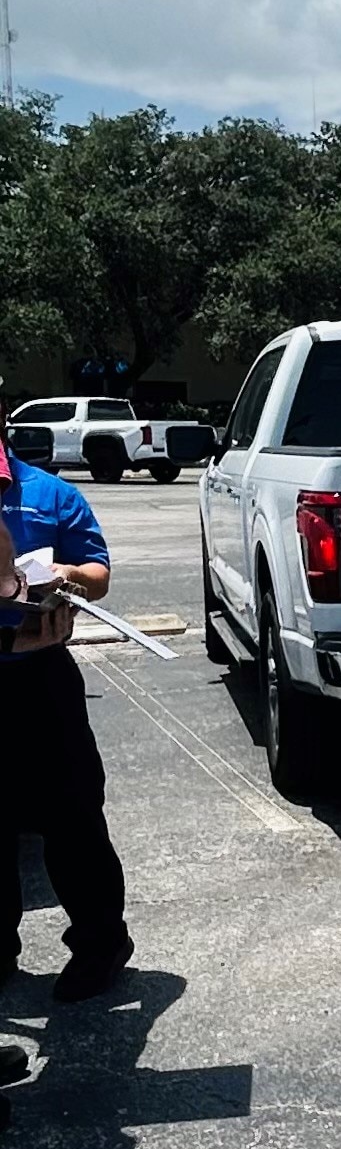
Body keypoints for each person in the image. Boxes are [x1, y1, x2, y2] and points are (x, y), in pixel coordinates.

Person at [0, 382, 134, 1000]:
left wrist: (68, 575)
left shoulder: (48, 493)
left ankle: (101, 945)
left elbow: (99, 576)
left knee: (73, 816)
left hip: (39, 679)